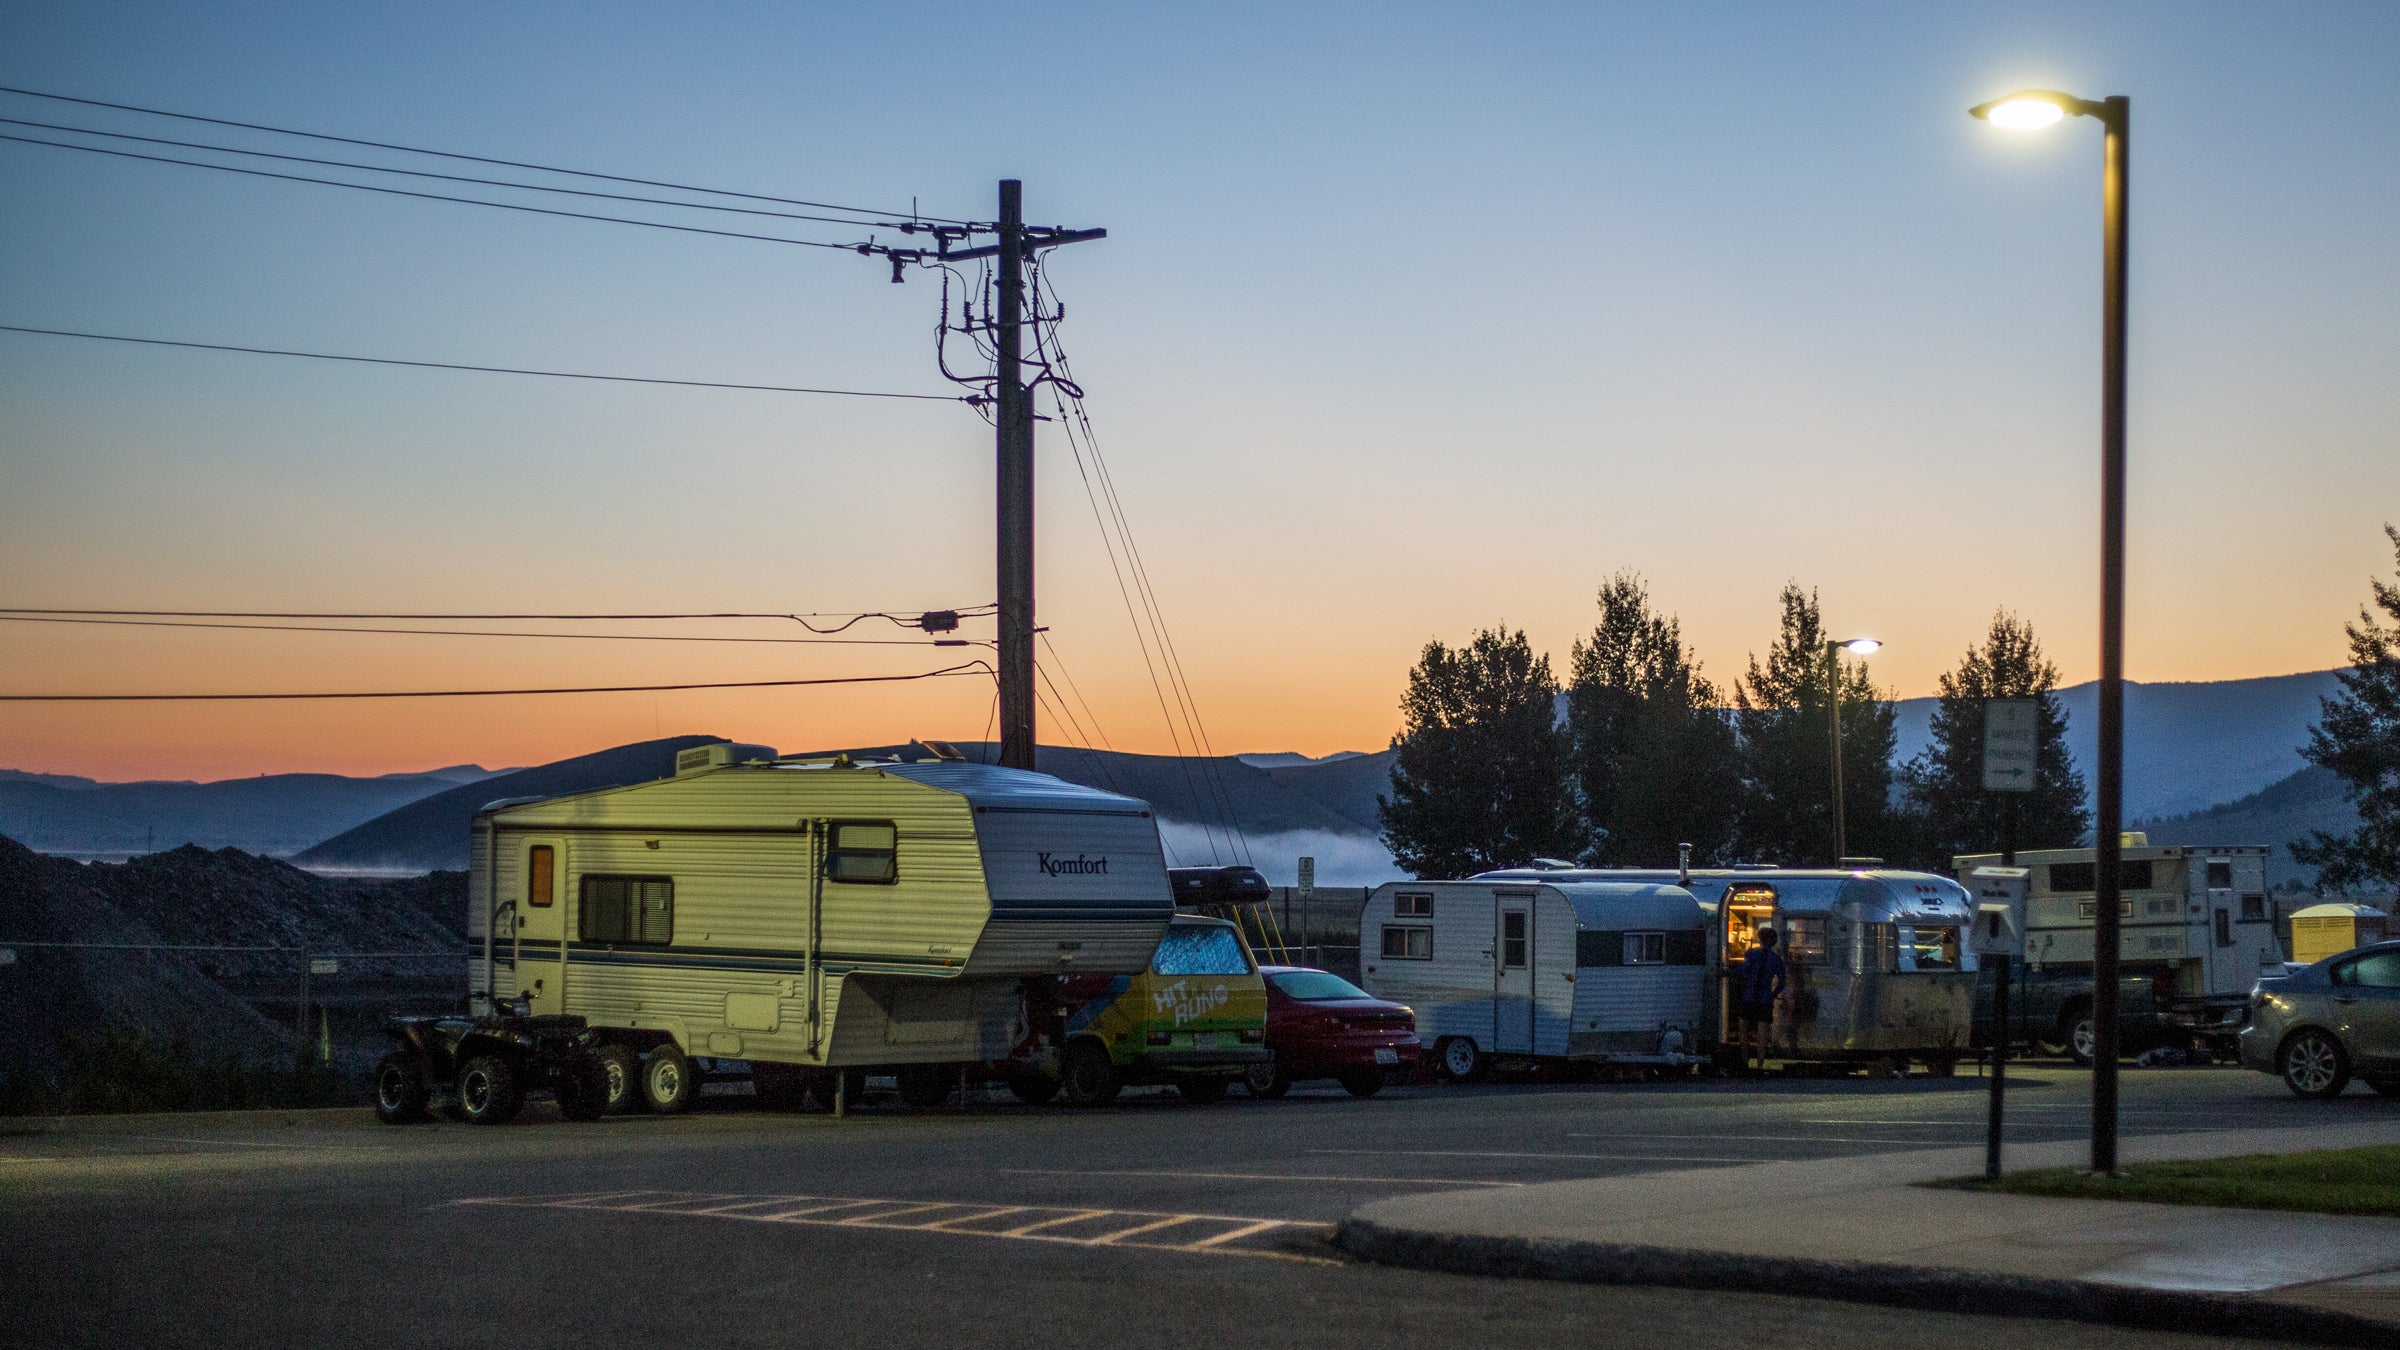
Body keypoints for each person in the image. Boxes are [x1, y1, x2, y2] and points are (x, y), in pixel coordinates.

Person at [1734, 925, 1787, 1074]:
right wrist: (1773, 994)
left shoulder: (1751, 953)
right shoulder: (1776, 959)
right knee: (1763, 1034)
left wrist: (1724, 972)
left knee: (1743, 1030)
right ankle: (1759, 1065)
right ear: (1774, 941)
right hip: (1765, 999)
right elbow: (1782, 982)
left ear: (1760, 939)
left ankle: (1745, 1062)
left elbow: (1742, 970)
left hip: (1749, 996)